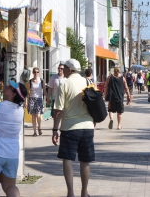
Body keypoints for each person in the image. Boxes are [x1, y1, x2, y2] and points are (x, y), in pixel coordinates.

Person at [52, 59, 94, 197]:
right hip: (87, 127)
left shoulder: (64, 84)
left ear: (69, 70)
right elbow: (94, 104)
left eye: (64, 69)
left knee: (68, 159)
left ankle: (70, 193)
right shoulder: (88, 82)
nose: (62, 71)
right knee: (85, 160)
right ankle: (84, 192)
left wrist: (54, 130)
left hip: (69, 127)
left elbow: (59, 110)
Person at [26, 67, 46, 136]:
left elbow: (44, 90)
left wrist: (48, 98)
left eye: (37, 72)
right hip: (32, 99)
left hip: (39, 99)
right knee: (33, 116)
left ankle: (39, 128)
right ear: (33, 73)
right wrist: (26, 102)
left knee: (38, 115)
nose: (36, 73)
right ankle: (35, 132)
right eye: (34, 72)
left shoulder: (42, 81)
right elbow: (27, 92)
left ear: (39, 73)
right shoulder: (30, 81)